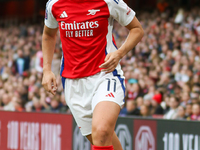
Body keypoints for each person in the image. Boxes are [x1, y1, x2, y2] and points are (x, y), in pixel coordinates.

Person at [42, 0, 144, 149]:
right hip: (73, 83)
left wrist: (119, 53)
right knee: (100, 139)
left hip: (105, 74)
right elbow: (48, 35)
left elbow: (137, 29)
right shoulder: (54, 4)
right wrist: (46, 69)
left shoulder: (108, 1)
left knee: (102, 132)